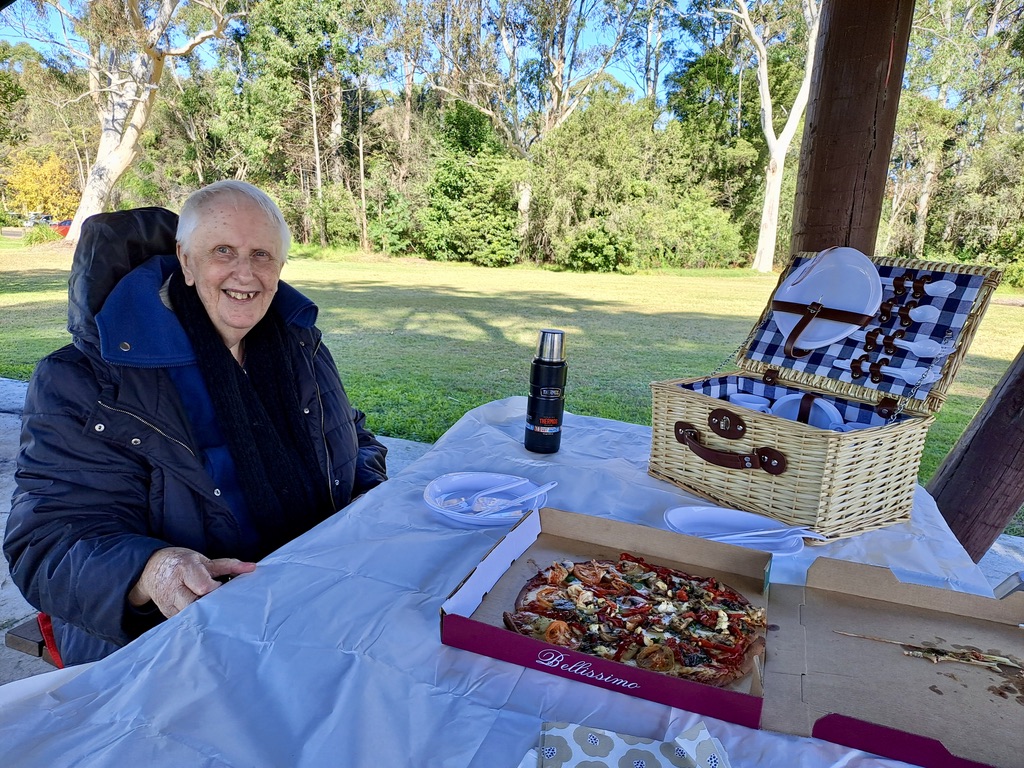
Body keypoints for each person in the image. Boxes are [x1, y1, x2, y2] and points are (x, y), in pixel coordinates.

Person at [4, 181, 388, 665]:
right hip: (163, 640)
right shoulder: (86, 378)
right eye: (222, 251)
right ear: (185, 260)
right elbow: (45, 541)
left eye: (262, 255)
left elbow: (351, 438)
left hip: (304, 599)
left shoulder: (299, 346)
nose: (245, 273)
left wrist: (370, 499)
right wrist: (149, 570)